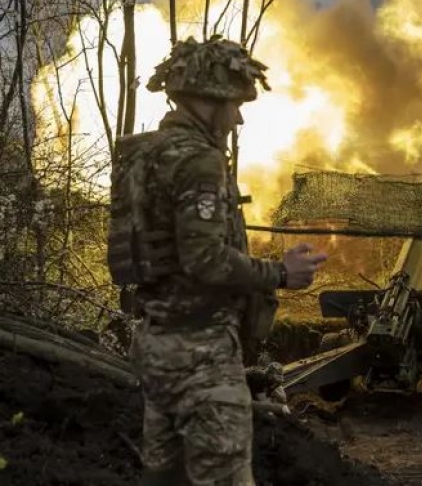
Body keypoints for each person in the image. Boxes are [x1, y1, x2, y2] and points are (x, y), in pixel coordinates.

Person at [121, 36, 327, 485]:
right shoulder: (199, 162)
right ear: (208, 102)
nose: (237, 117)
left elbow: (166, 252)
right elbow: (205, 259)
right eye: (233, 104)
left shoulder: (145, 156)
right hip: (203, 357)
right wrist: (281, 273)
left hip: (157, 346)